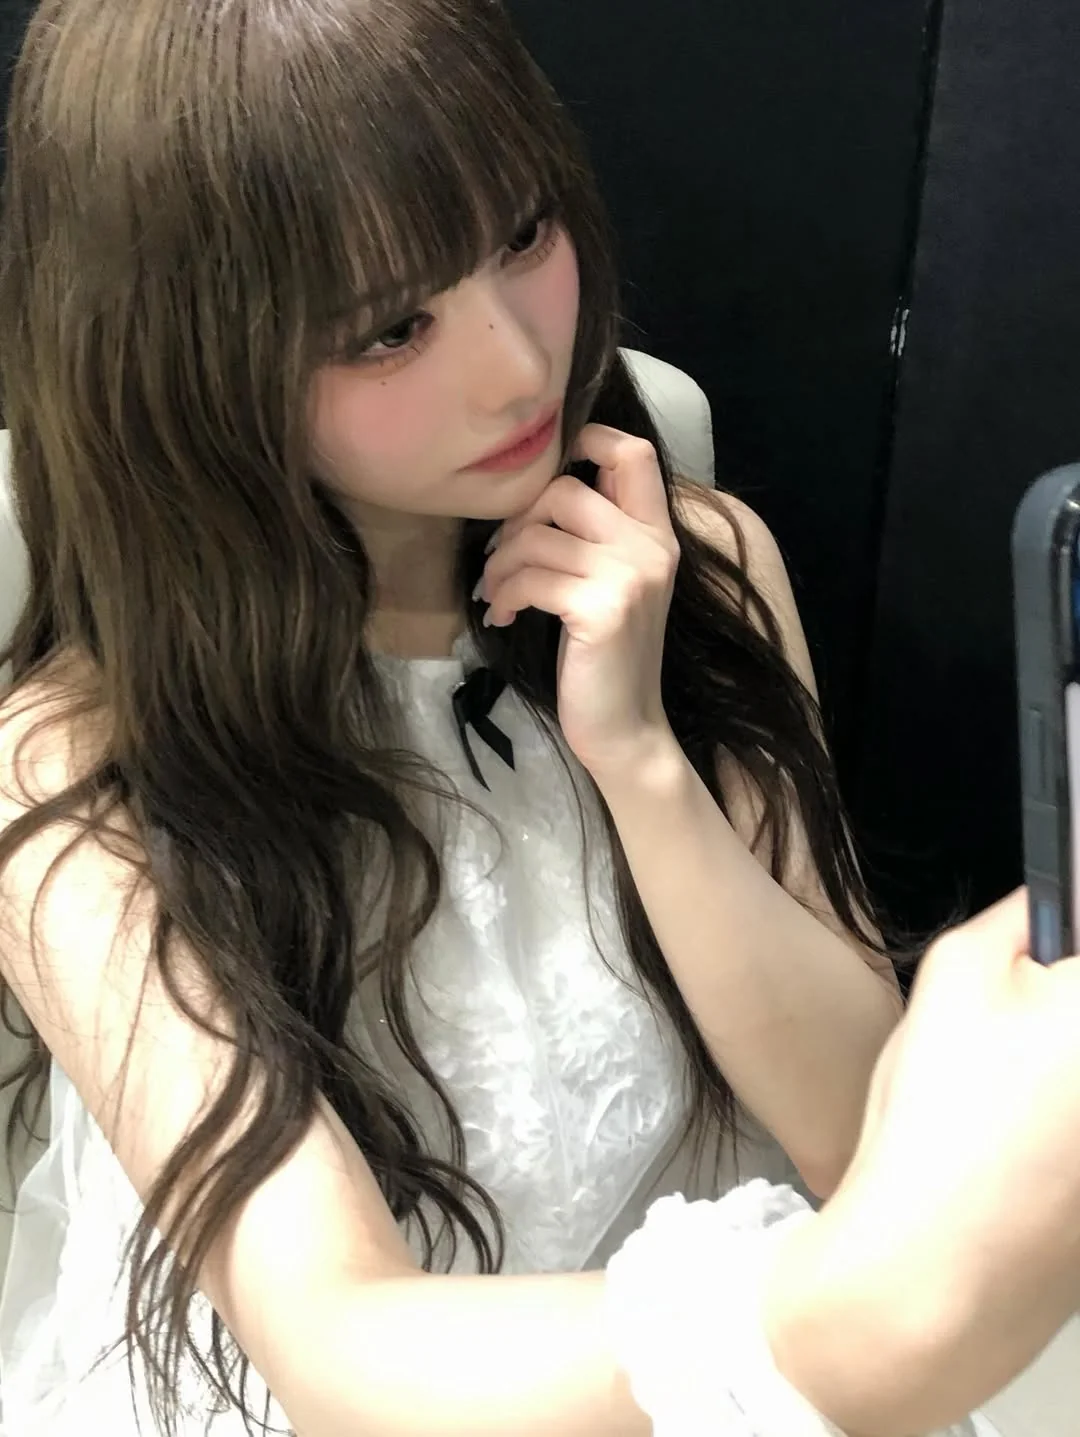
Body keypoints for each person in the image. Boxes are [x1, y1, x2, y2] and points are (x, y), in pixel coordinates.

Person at [0, 1, 1058, 1434]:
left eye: (521, 234)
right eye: (390, 330)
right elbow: (338, 1347)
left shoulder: (698, 565)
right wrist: (841, 1324)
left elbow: (849, 1134)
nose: (516, 366)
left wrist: (639, 762)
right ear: (190, 366)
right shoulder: (77, 773)